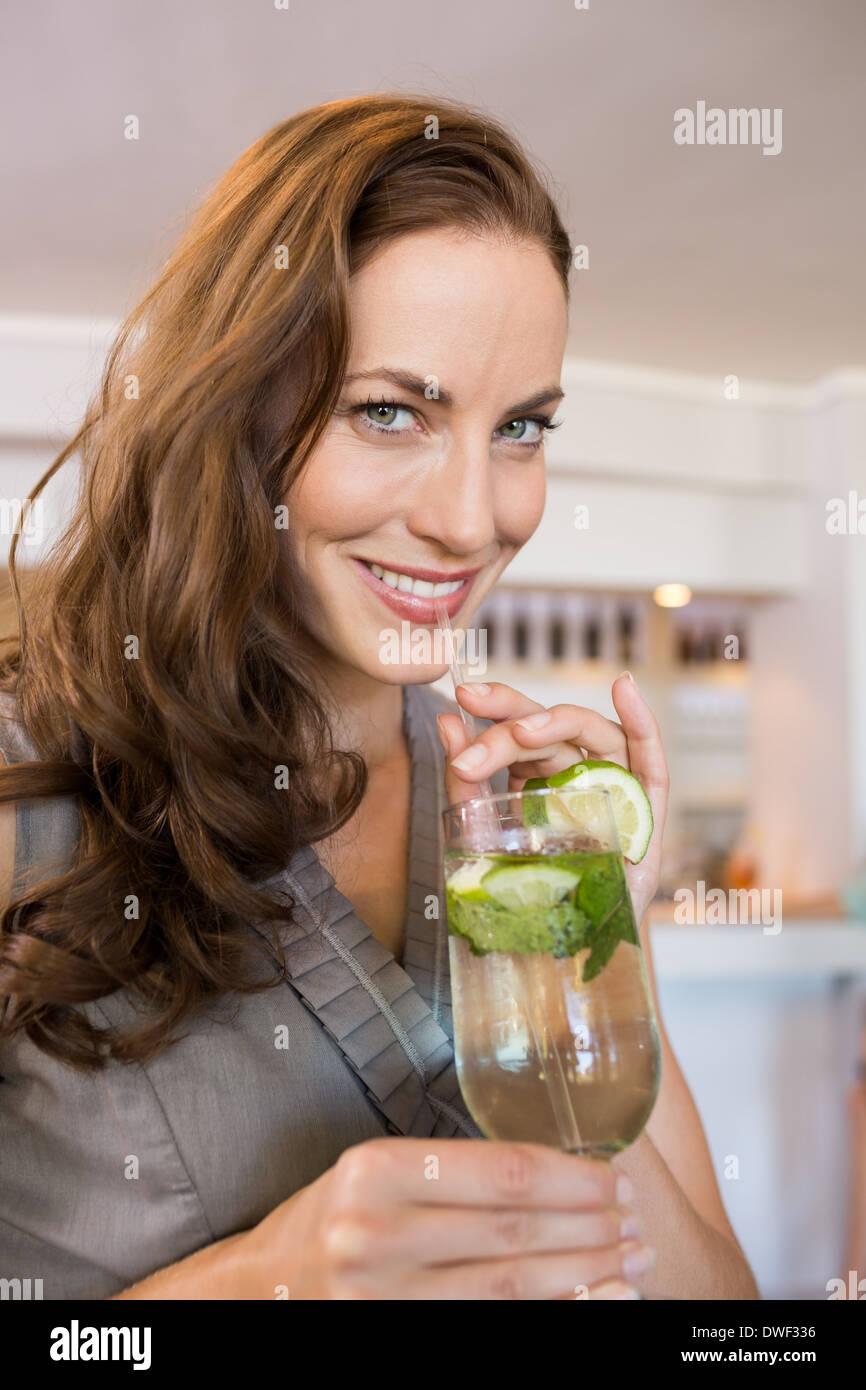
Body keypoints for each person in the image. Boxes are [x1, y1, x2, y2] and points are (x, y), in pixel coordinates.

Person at [0, 94, 757, 1301]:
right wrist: (259, 1281)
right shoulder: (24, 785)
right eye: (390, 410)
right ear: (232, 410)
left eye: (520, 427)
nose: (473, 518)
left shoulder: (526, 810)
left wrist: (596, 942)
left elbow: (726, 1315)